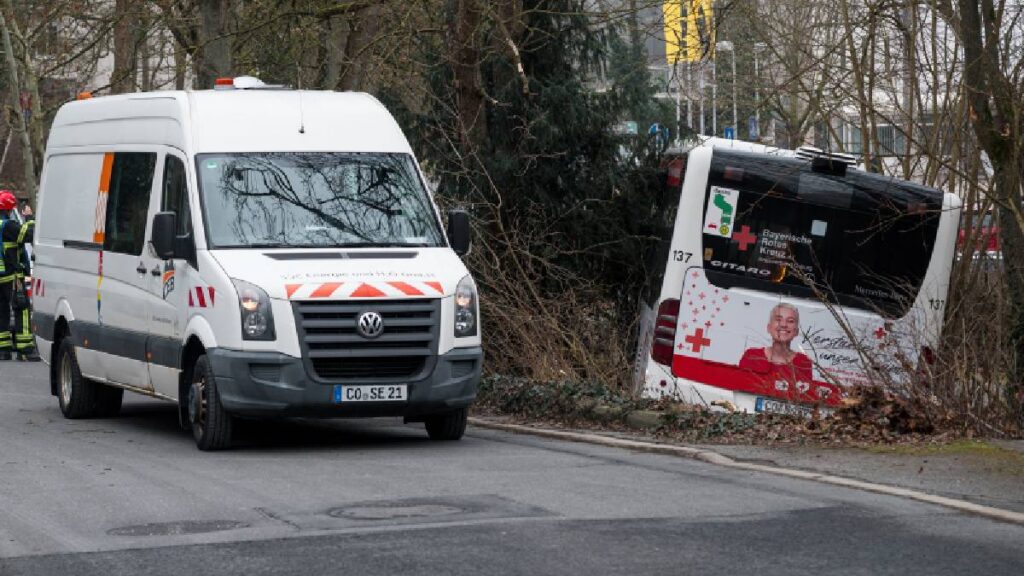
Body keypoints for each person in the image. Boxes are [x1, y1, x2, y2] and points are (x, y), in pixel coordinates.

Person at [0, 190, 38, 361]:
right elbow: (29, 235)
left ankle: (3, 350)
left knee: (1, 312)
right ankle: (25, 350)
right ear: (9, 209)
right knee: (21, 309)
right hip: (12, 277)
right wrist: (29, 218)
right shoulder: (8, 226)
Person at [738, 302, 812, 384]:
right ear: (769, 327)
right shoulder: (752, 356)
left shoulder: (803, 362)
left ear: (796, 331)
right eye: (778, 320)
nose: (784, 325)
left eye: (790, 321)